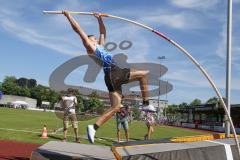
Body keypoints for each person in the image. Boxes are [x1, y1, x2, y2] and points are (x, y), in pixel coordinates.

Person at [63, 11, 154, 143]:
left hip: (110, 77)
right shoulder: (90, 46)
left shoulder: (99, 46)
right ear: (90, 39)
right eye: (94, 38)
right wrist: (68, 16)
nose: (97, 38)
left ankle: (93, 127)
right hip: (114, 72)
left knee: (116, 107)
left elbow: (103, 32)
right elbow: (78, 29)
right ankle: (146, 104)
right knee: (143, 74)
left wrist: (99, 19)